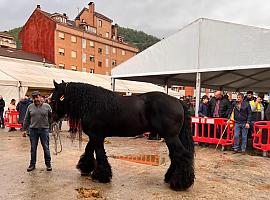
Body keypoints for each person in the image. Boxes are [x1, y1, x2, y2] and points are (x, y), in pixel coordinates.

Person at [23, 91, 52, 172]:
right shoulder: (30, 107)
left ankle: (48, 164)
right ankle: (32, 164)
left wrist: (51, 126)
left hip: (44, 130)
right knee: (33, 148)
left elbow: (51, 117)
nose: (36, 99)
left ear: (40, 97)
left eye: (37, 97)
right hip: (33, 130)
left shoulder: (47, 106)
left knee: (46, 148)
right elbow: (27, 119)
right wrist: (24, 130)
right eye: (34, 97)